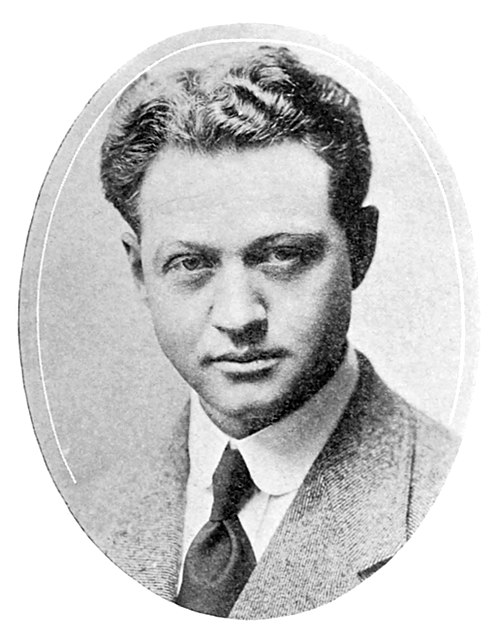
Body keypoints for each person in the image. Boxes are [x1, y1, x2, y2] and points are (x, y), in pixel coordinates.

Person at [98, 45, 459, 619]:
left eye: (282, 255)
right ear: (140, 271)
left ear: (360, 248)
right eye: (191, 263)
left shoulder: (460, 505)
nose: (239, 316)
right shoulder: (85, 511)